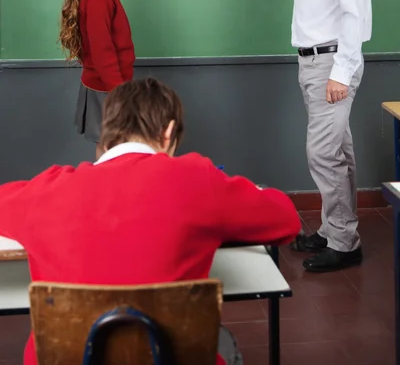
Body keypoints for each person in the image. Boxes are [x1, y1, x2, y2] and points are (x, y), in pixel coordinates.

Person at [0, 77, 300, 365]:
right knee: (221, 340)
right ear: (168, 133)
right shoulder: (197, 179)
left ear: (106, 133)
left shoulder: (47, 190)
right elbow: (287, 219)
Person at [228, 0, 372, 273]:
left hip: (331, 65)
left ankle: (344, 243)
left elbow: (354, 15)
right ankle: (333, 230)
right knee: (338, 152)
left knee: (324, 154)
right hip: (313, 64)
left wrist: (341, 73)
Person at [59, 0, 135, 159]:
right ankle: (109, 192)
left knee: (109, 145)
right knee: (113, 147)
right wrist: (118, 92)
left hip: (108, 86)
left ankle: (108, 191)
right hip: (108, 88)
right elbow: (102, 50)